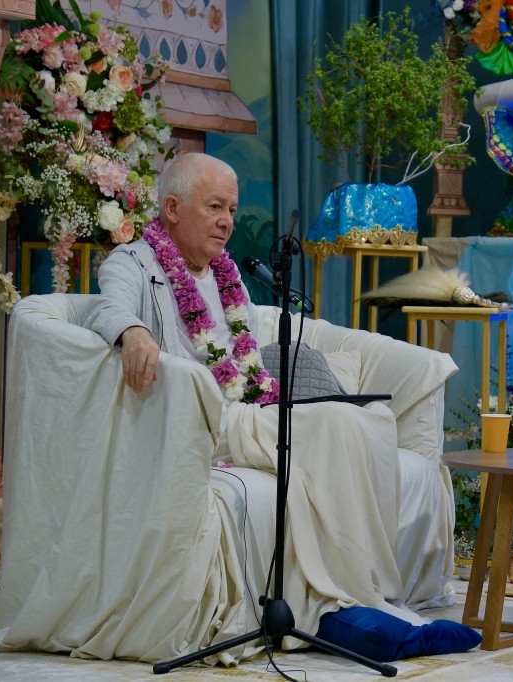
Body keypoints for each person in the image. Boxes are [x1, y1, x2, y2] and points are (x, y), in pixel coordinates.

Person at [87, 152, 433, 645]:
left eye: (231, 209)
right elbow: (109, 306)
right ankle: (345, 604)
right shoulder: (135, 262)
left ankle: (370, 590)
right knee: (336, 423)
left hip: (247, 409)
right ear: (172, 208)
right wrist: (135, 332)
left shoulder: (226, 275)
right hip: (199, 420)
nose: (227, 221)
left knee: (374, 418)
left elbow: (246, 358)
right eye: (214, 207)